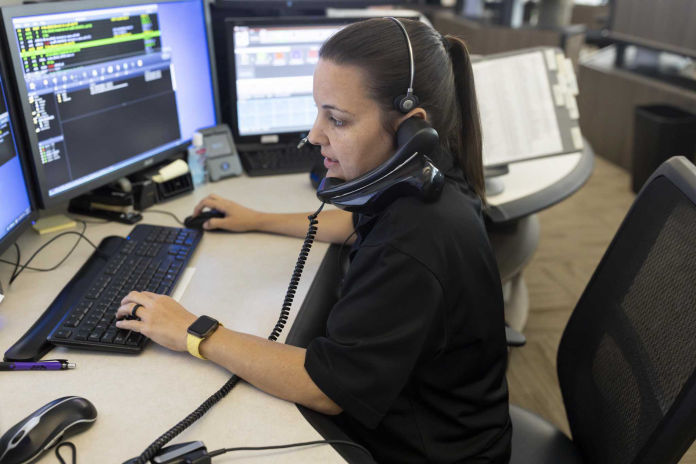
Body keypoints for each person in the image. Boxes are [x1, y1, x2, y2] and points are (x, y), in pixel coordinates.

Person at [117, 18, 511, 463]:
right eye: (318, 111)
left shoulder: (415, 239)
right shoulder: (424, 179)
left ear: (408, 128)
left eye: (337, 119)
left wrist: (192, 332)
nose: (313, 135)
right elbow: (355, 224)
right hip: (430, 421)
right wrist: (256, 219)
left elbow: (326, 387)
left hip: (424, 451)